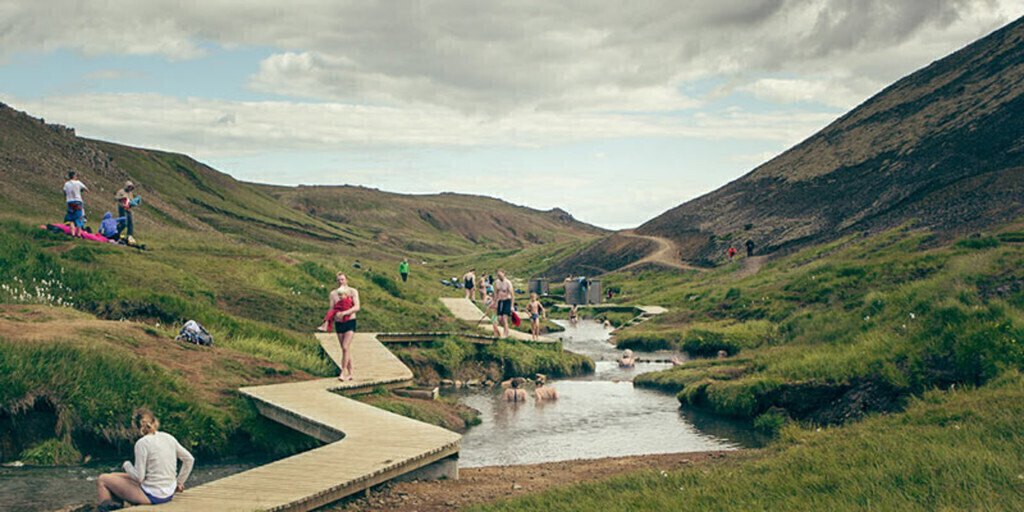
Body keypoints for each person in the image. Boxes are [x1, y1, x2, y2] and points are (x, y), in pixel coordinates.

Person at [95, 408, 194, 511]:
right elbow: (189, 459)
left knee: (103, 479)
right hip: (168, 492)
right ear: (155, 422)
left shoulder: (142, 443)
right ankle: (116, 507)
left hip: (152, 495)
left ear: (136, 427)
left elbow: (139, 477)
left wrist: (127, 465)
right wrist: (178, 483)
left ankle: (108, 509)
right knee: (113, 476)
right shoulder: (168, 437)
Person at [329, 273, 360, 381]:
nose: (340, 281)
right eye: (338, 280)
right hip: (339, 323)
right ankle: (351, 373)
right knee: (344, 349)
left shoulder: (352, 291)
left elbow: (357, 307)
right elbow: (332, 308)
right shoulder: (333, 294)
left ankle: (343, 372)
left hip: (350, 321)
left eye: (342, 279)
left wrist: (345, 313)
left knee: (345, 346)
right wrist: (329, 320)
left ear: (346, 280)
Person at [63, 171, 88, 237]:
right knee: (79, 218)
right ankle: (79, 234)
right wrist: (80, 190)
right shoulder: (78, 183)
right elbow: (86, 189)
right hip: (78, 201)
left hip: (70, 202)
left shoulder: (66, 184)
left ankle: (73, 233)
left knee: (71, 218)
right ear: (74, 176)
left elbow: (64, 192)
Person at [490, 270, 514, 338]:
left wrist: (512, 306)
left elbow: (512, 295)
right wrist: (494, 301)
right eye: (498, 275)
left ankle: (505, 334)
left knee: (504, 317)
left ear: (504, 274)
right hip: (500, 300)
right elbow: (496, 292)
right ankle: (506, 329)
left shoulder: (508, 282)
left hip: (507, 300)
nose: (499, 276)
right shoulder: (497, 282)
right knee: (500, 318)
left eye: (500, 275)